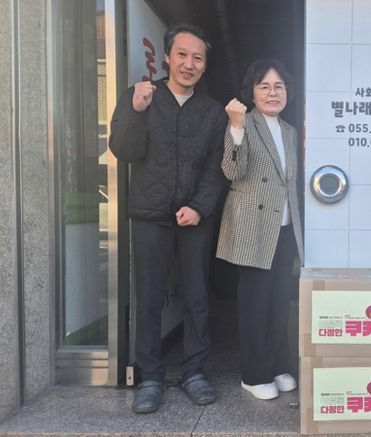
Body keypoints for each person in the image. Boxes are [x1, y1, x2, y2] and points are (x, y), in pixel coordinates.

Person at [109, 23, 226, 414]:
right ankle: (151, 377)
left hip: (194, 216)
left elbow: (217, 168)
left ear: (205, 65)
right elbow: (123, 150)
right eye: (182, 55)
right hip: (149, 214)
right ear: (167, 57)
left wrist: (200, 207)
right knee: (149, 296)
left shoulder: (212, 112)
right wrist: (137, 111)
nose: (189, 64)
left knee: (197, 296)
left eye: (198, 58)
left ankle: (195, 372)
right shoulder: (141, 96)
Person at [216, 59, 304, 400]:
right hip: (253, 225)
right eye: (264, 86)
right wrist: (236, 128)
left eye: (279, 86)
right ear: (251, 93)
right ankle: (253, 375)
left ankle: (277, 365)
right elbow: (232, 171)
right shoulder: (244, 124)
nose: (272, 93)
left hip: (285, 226)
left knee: (280, 301)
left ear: (288, 92)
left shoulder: (290, 130)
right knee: (256, 303)